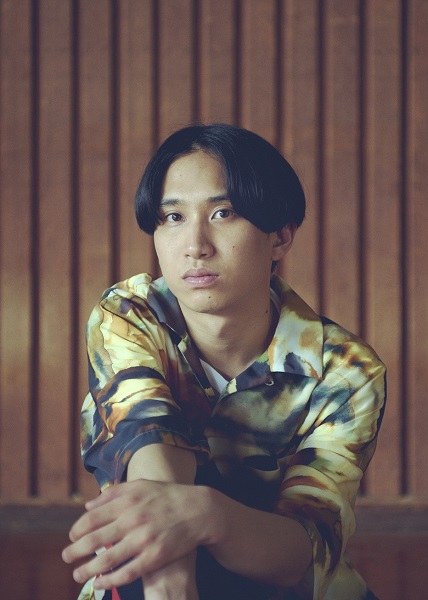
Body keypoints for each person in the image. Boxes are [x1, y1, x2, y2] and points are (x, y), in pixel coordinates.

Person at [62, 123, 386, 600]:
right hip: (145, 577)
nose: (195, 244)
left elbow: (302, 553)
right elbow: (149, 442)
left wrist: (208, 515)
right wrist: (171, 583)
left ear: (279, 238)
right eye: (173, 217)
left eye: (223, 213)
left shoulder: (345, 371)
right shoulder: (129, 315)